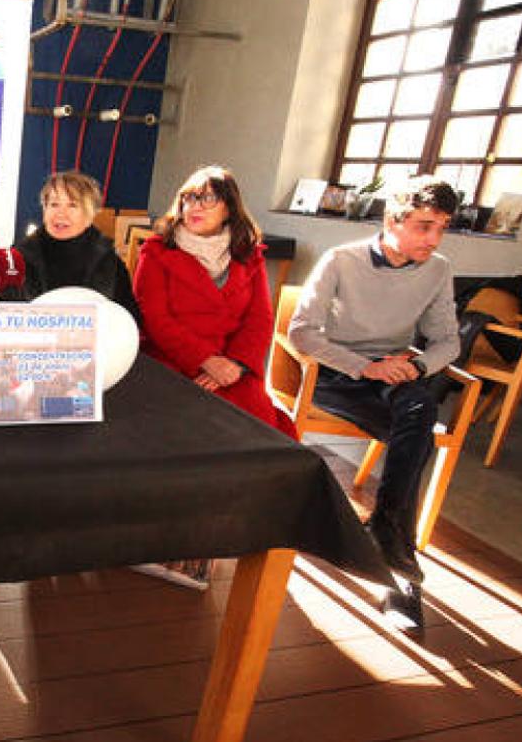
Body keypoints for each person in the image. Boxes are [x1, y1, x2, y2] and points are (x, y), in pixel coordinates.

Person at [289, 175, 460, 590]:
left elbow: (448, 341)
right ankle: (400, 543)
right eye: (424, 226)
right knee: (416, 434)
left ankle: (384, 524)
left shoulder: (438, 270)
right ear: (392, 221)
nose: (434, 239)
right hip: (335, 369)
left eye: (442, 228)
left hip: (392, 370)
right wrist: (363, 368)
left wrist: (415, 367)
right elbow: (302, 332)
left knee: (417, 410)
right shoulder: (340, 260)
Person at [133, 165, 294, 437]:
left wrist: (236, 364)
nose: (196, 207)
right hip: (173, 361)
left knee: (259, 427)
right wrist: (205, 360)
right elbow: (154, 319)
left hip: (232, 366)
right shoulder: (157, 252)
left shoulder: (248, 255)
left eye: (208, 199)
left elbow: (260, 319)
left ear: (229, 208)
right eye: (190, 198)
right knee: (185, 426)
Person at [15, 170, 140, 320]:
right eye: (54, 204)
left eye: (72, 205)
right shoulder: (19, 259)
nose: (61, 213)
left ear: (89, 215)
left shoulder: (110, 263)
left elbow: (128, 320)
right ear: (44, 210)